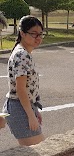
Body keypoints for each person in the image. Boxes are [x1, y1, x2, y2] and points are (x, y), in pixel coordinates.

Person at [2, 15, 45, 146]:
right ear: (22, 33)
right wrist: (30, 115)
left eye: (40, 34)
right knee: (39, 153)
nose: (38, 38)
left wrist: (34, 110)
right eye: (33, 34)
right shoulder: (22, 55)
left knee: (39, 152)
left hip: (22, 107)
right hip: (19, 109)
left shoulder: (24, 53)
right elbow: (20, 90)